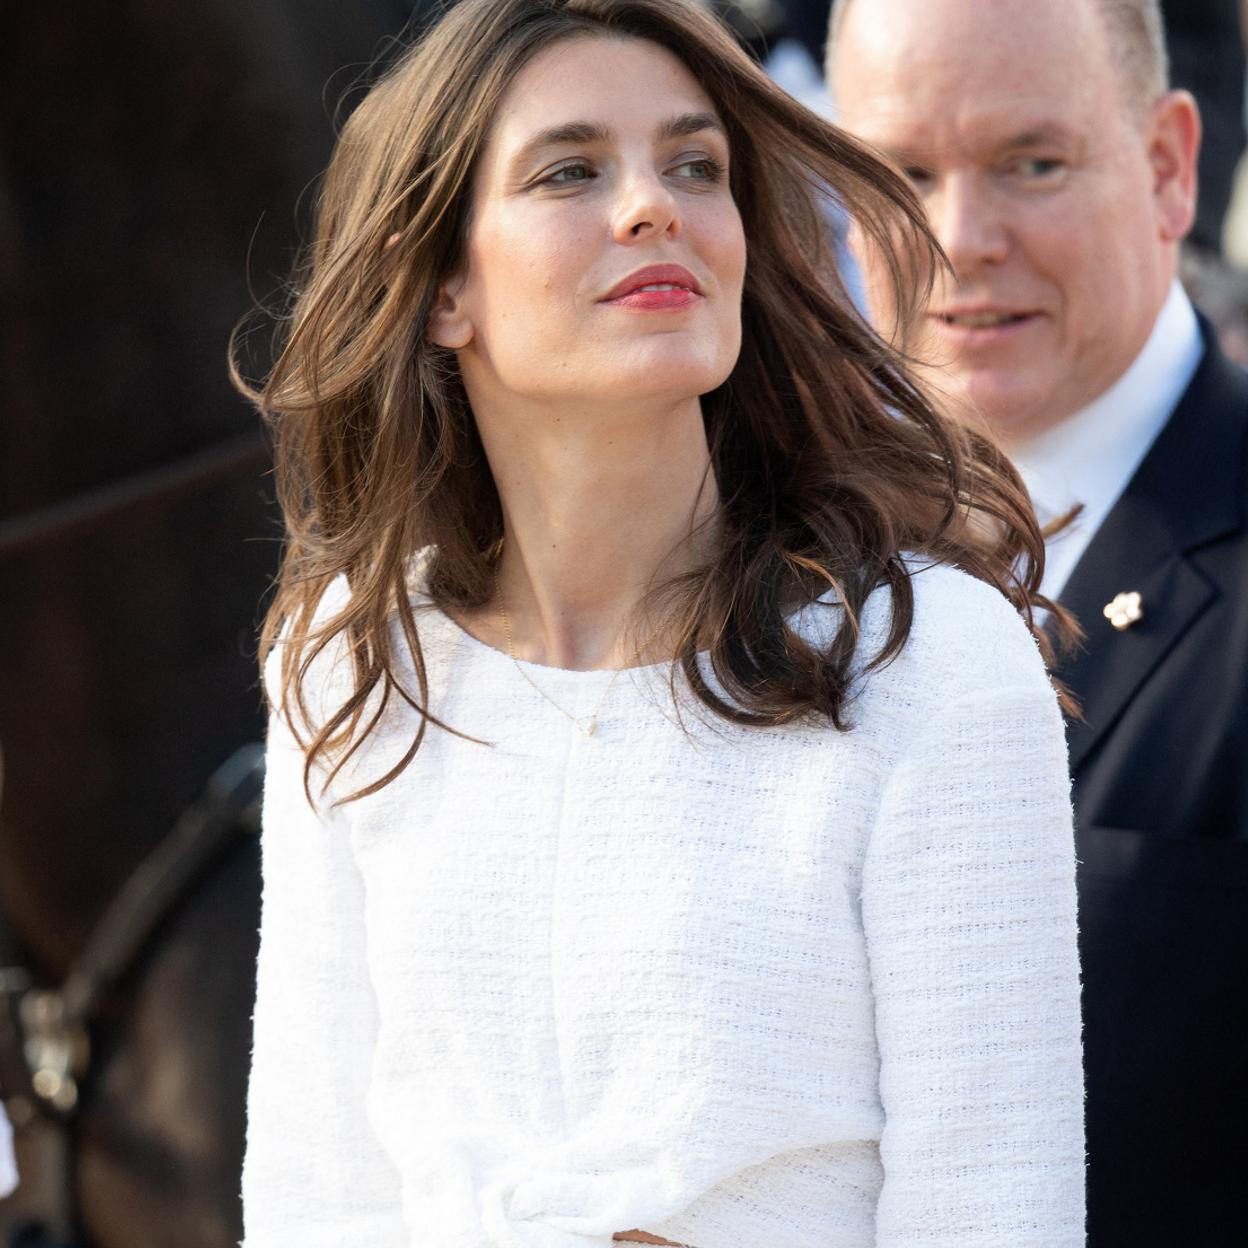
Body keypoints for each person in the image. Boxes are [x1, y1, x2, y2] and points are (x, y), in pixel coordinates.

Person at [235, 1, 1084, 1244]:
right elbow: (315, 1197)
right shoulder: (351, 658)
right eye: (571, 170)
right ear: (441, 291)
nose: (654, 205)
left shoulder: (930, 662)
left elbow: (996, 1211)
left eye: (696, 165)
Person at [828, 1, 1248, 1243]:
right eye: (903, 174)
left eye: (1033, 164)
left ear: (1171, 167)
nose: (961, 240)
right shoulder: (761, 576)